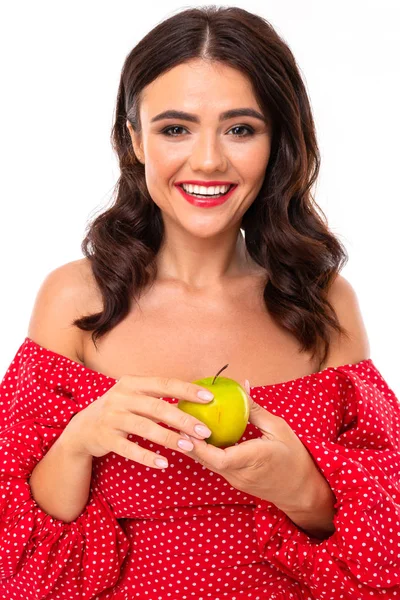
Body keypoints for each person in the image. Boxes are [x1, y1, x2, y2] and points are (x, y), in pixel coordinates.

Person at [0, 5, 399, 599]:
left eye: (240, 129)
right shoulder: (76, 299)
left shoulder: (323, 303)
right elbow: (23, 538)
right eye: (175, 128)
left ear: (277, 143)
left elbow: (384, 549)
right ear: (134, 139)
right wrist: (81, 438)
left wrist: (302, 490)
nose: (208, 160)